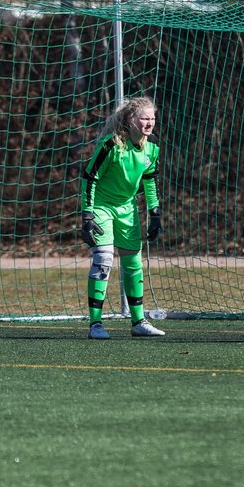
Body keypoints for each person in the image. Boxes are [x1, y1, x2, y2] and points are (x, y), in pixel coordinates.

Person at [80, 96, 165, 340]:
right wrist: (87, 214)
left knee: (133, 262)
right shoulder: (111, 145)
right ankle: (96, 325)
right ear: (130, 120)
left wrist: (155, 213)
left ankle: (138, 321)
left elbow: (149, 181)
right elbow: (90, 178)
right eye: (144, 118)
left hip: (127, 209)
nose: (149, 123)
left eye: (152, 118)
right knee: (104, 260)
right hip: (102, 206)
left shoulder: (152, 148)